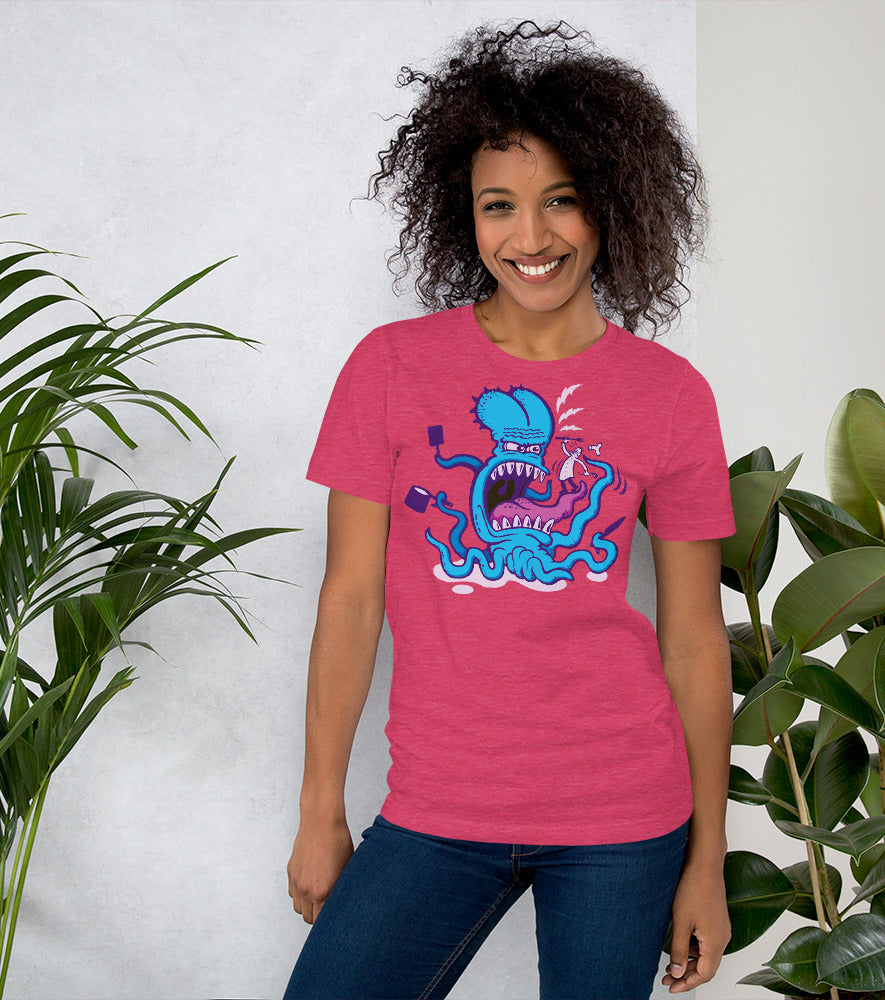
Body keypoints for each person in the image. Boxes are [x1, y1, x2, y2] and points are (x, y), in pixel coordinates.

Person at [285, 21, 735, 1000]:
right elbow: (350, 601)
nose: (530, 238)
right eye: (500, 206)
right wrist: (321, 806)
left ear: (611, 202)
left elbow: (696, 640)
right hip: (440, 806)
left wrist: (707, 858)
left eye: (561, 200)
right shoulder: (390, 370)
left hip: (624, 815)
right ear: (466, 215)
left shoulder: (670, 395)